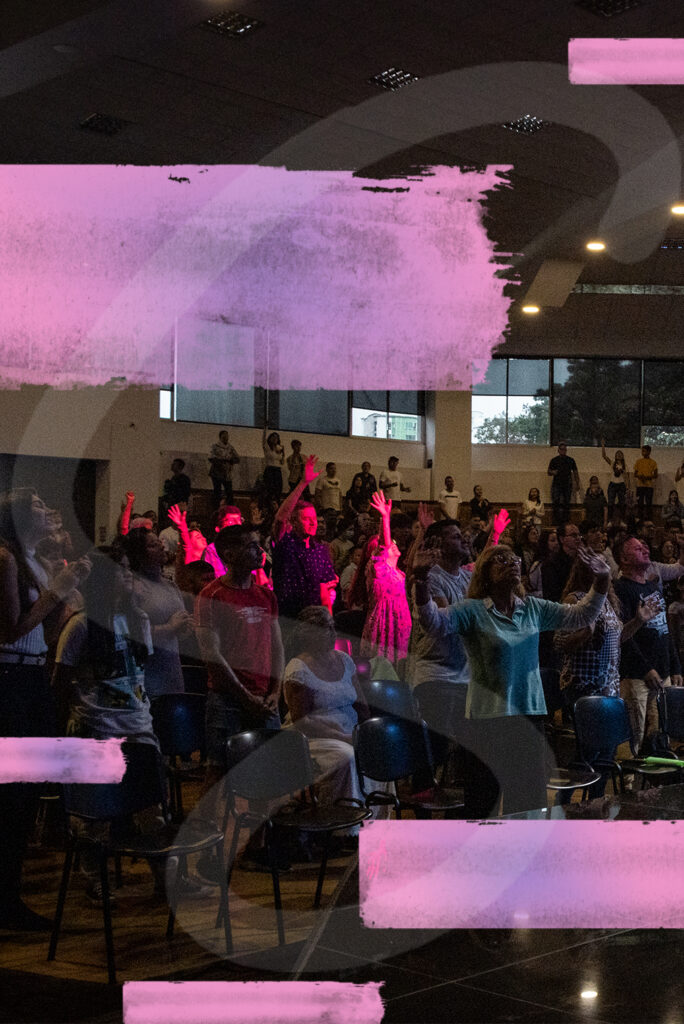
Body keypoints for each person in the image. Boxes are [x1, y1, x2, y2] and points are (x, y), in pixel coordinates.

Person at [414, 539, 610, 816]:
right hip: (487, 719)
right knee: (483, 803)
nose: (513, 564)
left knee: (528, 801)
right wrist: (421, 581)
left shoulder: (532, 608)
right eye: (502, 560)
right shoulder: (473, 610)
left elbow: (581, 614)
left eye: (515, 560)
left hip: (529, 714)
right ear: (485, 573)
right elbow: (433, 623)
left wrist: (602, 579)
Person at [0, 489, 91, 930]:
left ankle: (9, 894)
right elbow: (11, 629)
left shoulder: (33, 559)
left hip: (32, 675)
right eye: (37, 505)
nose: (48, 509)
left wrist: (65, 595)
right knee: (12, 796)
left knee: (27, 791)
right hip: (10, 679)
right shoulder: (5, 559)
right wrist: (56, 592)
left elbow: (46, 633)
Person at [195, 525, 283, 794]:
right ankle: (206, 821)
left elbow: (277, 646)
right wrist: (245, 696)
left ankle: (256, 821)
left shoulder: (266, 595)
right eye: (252, 546)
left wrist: (275, 692)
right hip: (228, 700)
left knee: (269, 773)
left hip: (264, 697)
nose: (260, 551)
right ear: (229, 554)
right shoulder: (212, 595)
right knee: (219, 772)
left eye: (259, 545)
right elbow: (212, 655)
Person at [284, 606, 387, 817]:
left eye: (332, 628)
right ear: (308, 635)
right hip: (315, 738)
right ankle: (345, 821)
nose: (332, 634)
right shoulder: (298, 668)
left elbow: (361, 704)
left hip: (349, 730)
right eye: (325, 629)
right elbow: (302, 721)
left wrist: (366, 731)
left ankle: (376, 816)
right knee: (346, 756)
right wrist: (342, 736)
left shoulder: (344, 660)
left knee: (378, 748)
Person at [554, 555, 658, 712]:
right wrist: (585, 634)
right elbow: (559, 643)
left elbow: (617, 639)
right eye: (600, 565)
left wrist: (638, 621)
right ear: (587, 571)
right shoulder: (575, 599)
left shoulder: (607, 601)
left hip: (608, 687)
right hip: (583, 688)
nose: (606, 569)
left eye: (607, 564)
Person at [614, 535, 684, 754]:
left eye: (645, 546)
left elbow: (665, 630)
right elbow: (623, 636)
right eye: (638, 549)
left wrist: (675, 667)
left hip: (663, 672)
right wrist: (645, 669)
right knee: (635, 739)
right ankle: (631, 775)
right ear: (624, 559)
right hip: (637, 675)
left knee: (660, 737)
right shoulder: (620, 589)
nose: (645, 550)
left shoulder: (653, 587)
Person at [271, 455, 337, 638]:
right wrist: (303, 483)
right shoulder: (286, 543)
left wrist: (330, 622)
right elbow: (280, 518)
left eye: (314, 519)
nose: (313, 523)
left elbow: (325, 590)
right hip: (288, 618)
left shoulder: (320, 550)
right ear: (294, 522)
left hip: (314, 621)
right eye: (307, 519)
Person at [125, 529, 190, 700]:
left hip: (172, 675)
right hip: (148, 681)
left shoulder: (170, 586)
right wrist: (170, 627)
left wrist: (186, 627)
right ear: (139, 554)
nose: (162, 547)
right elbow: (131, 634)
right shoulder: (133, 587)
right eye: (153, 545)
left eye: (159, 543)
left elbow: (181, 633)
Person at [409, 519, 472, 689]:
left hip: (465, 675)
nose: (465, 540)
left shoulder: (468, 578)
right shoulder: (431, 578)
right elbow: (442, 624)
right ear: (440, 545)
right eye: (456, 537)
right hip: (437, 676)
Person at [360, 491, 411, 668]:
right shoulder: (380, 568)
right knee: (381, 666)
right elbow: (384, 544)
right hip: (385, 621)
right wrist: (385, 517)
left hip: (400, 621)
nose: (393, 545)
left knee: (400, 666)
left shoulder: (399, 573)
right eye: (391, 545)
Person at [541, 521, 581, 602]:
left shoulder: (581, 560)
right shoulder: (551, 563)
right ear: (562, 539)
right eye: (573, 535)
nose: (578, 538)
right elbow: (552, 596)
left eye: (579, 535)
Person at [547, 442, 580, 525]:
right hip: (557, 484)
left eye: (564, 449)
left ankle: (566, 520)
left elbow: (575, 472)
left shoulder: (571, 460)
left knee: (567, 502)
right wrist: (553, 472)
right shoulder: (554, 460)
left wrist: (577, 483)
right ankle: (556, 521)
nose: (563, 451)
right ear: (558, 450)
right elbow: (549, 472)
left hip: (567, 484)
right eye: (561, 449)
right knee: (556, 502)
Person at [208, 430, 240, 509]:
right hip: (217, 472)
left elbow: (237, 459)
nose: (226, 438)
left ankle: (230, 509)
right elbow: (210, 457)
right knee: (217, 491)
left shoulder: (230, 448)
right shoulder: (215, 446)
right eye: (224, 436)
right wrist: (221, 461)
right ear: (220, 437)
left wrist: (231, 461)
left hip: (227, 473)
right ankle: (216, 509)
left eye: (227, 436)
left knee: (229, 492)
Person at [601, 440, 629, 524]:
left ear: (623, 456)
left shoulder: (625, 465)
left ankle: (622, 520)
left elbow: (627, 477)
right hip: (613, 484)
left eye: (620, 454)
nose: (619, 455)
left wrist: (627, 487)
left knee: (622, 503)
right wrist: (603, 445)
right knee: (610, 503)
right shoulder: (612, 463)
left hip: (621, 484)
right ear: (615, 456)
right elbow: (604, 456)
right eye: (617, 454)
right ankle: (610, 520)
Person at [527, 528, 560, 597]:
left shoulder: (560, 562)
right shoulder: (538, 564)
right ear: (545, 543)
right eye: (552, 540)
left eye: (558, 540)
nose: (557, 543)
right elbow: (532, 588)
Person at [314, 462, 342, 537]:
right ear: (327, 470)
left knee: (334, 530)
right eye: (331, 468)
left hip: (336, 509)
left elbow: (340, 495)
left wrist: (341, 508)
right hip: (326, 508)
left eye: (335, 468)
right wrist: (320, 506)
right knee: (326, 528)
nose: (333, 470)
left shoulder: (338, 481)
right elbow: (317, 494)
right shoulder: (322, 480)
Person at [633, 445, 658, 519]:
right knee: (639, 503)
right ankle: (639, 518)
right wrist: (640, 476)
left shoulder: (653, 462)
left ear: (649, 452)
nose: (642, 452)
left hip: (649, 486)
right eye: (642, 451)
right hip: (640, 485)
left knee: (648, 503)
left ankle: (649, 519)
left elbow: (656, 475)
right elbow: (635, 474)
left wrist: (647, 477)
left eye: (644, 451)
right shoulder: (638, 461)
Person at [262, 427, 285, 502]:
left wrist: (283, 452)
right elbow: (263, 439)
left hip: (278, 470)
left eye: (276, 437)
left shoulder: (279, 448)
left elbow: (282, 462)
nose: (275, 439)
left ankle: (276, 504)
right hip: (270, 470)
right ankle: (268, 504)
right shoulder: (267, 448)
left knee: (278, 489)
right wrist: (265, 428)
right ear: (270, 438)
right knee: (270, 489)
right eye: (273, 437)